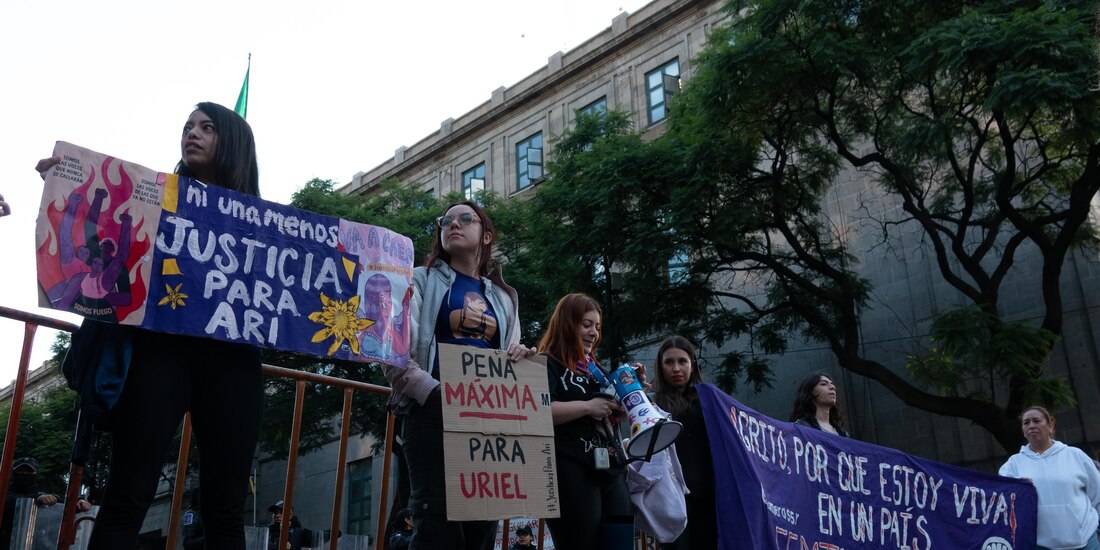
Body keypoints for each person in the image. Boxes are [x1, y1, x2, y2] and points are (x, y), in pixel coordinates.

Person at [37, 102, 265, 550]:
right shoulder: (149, 197)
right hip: (159, 355)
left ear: (234, 143)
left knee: (226, 508)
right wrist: (65, 183)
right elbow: (96, 225)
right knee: (129, 494)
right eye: (187, 127)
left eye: (206, 127)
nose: (191, 134)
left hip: (234, 364)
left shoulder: (270, 224)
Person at [382, 200, 535, 550]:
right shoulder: (417, 280)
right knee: (438, 526)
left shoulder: (504, 298)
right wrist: (433, 394)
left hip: (487, 419)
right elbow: (392, 346)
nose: (454, 223)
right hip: (431, 414)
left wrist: (521, 358)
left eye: (466, 218)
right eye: (446, 220)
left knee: (482, 529)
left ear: (486, 235)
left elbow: (509, 356)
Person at [538, 293, 631, 550]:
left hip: (611, 469)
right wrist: (588, 407)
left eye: (597, 327)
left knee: (619, 542)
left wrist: (630, 395)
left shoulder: (597, 371)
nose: (594, 333)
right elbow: (539, 412)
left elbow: (609, 411)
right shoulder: (548, 363)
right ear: (568, 324)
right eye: (586, 325)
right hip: (571, 469)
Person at [999, 406, 1100, 550]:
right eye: (1026, 423)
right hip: (1040, 544)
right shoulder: (1012, 465)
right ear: (1022, 429)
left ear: (1050, 425)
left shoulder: (1075, 455)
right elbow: (1005, 503)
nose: (1031, 426)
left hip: (1085, 542)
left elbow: (1097, 495)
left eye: (1036, 421)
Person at [650, 336, 716, 549]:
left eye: (682, 361)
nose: (676, 368)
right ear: (660, 366)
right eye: (669, 362)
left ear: (692, 364)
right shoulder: (651, 404)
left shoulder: (709, 400)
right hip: (671, 499)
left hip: (708, 496)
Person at [1, 457, 90, 550]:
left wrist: (78, 502)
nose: (25, 474)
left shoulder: (42, 497)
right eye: (21, 472)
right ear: (12, 474)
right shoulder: (4, 496)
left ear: (36, 474)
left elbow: (63, 504)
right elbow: (11, 501)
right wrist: (36, 499)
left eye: (29, 472)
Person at [789, 372, 849, 437]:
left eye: (832, 384)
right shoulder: (800, 427)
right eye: (823, 384)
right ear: (810, 392)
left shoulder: (843, 434)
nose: (832, 387)